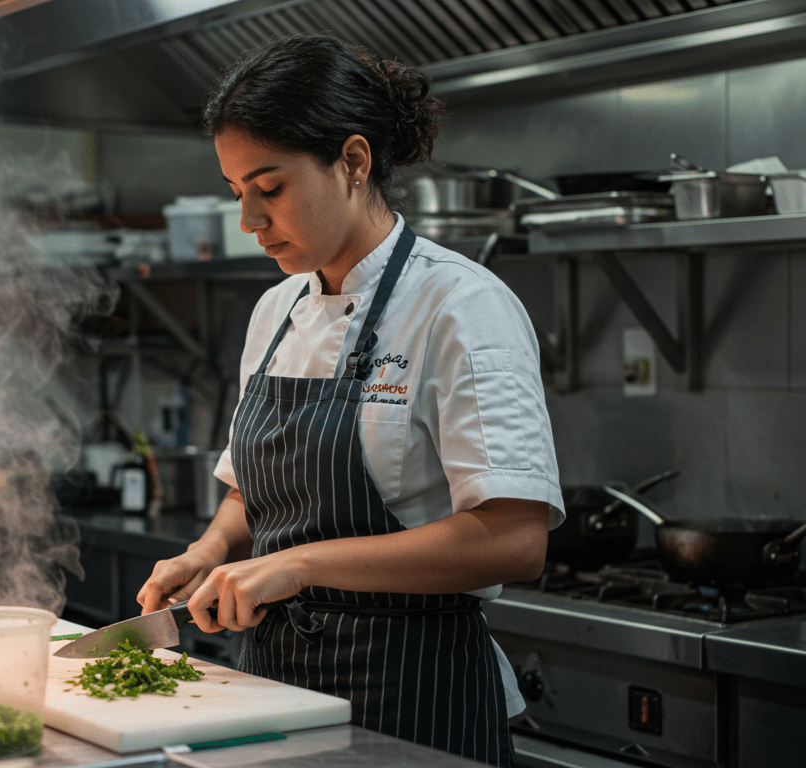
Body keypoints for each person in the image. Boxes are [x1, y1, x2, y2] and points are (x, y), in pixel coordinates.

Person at [136, 33, 564, 766]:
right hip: (276, 689)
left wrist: (298, 565)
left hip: (415, 697)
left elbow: (515, 540)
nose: (249, 221)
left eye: (270, 189)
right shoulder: (276, 311)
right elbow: (251, 491)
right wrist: (210, 550)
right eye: (238, 193)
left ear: (354, 162)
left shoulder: (461, 305)